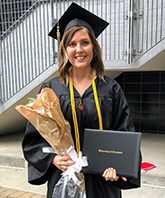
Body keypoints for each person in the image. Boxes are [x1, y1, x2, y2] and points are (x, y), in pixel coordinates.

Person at [22, 2, 141, 198]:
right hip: (64, 177)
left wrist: (118, 167)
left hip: (103, 180)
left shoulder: (111, 88)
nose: (79, 49)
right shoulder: (50, 89)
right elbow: (34, 138)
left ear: (93, 46)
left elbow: (124, 132)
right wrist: (52, 159)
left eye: (85, 42)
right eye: (72, 44)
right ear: (64, 49)